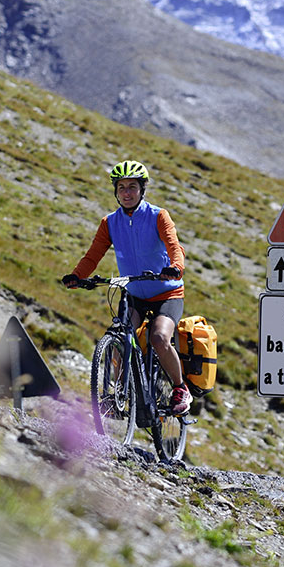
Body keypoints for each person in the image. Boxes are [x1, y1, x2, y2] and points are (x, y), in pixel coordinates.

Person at [63, 160, 192, 415]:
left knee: (158, 337)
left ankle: (180, 388)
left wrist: (176, 266)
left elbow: (173, 246)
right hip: (134, 294)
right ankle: (117, 394)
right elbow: (93, 255)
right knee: (121, 337)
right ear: (116, 191)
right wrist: (77, 275)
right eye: (122, 187)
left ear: (142, 189)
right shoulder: (110, 222)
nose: (127, 193)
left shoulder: (158, 216)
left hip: (167, 291)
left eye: (132, 187)